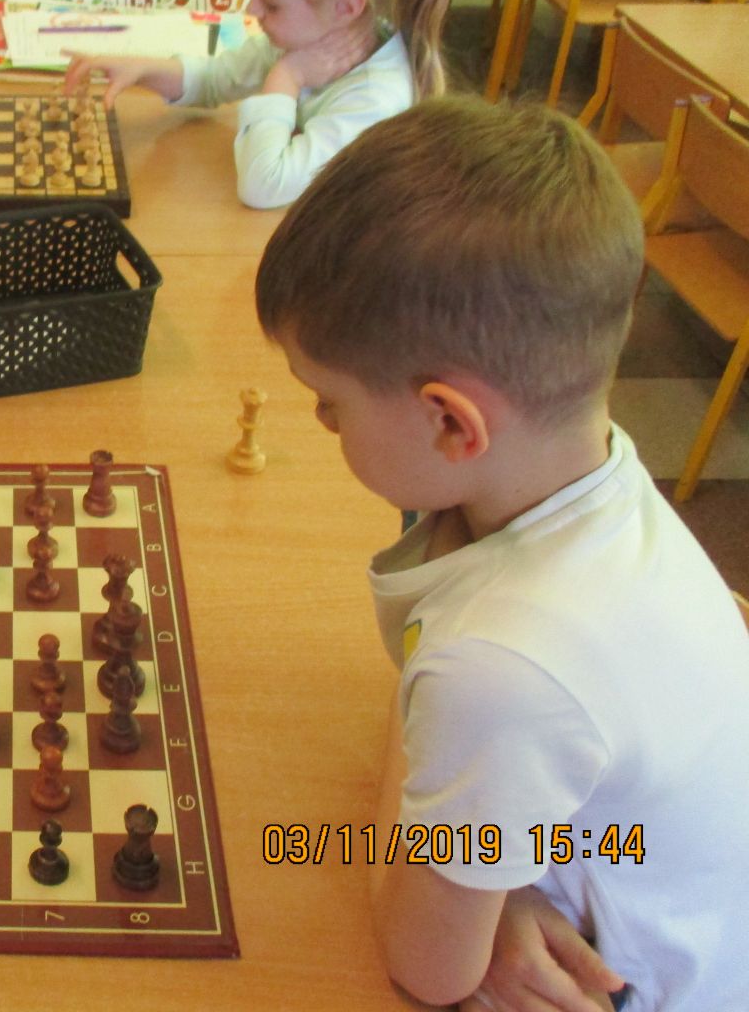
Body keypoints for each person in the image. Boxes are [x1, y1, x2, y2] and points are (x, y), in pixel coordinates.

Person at [253, 97, 749, 1011]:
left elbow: (427, 967)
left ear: (452, 423)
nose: (320, 422)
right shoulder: (597, 477)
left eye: (329, 402)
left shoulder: (496, 669)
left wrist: (458, 858)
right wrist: (494, 872)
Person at [64, 0, 452, 209]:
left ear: (346, 6)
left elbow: (264, 186)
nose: (251, 9)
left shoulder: (374, 99)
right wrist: (143, 69)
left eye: (271, 2)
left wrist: (287, 77)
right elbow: (216, 79)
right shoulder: (305, 38)